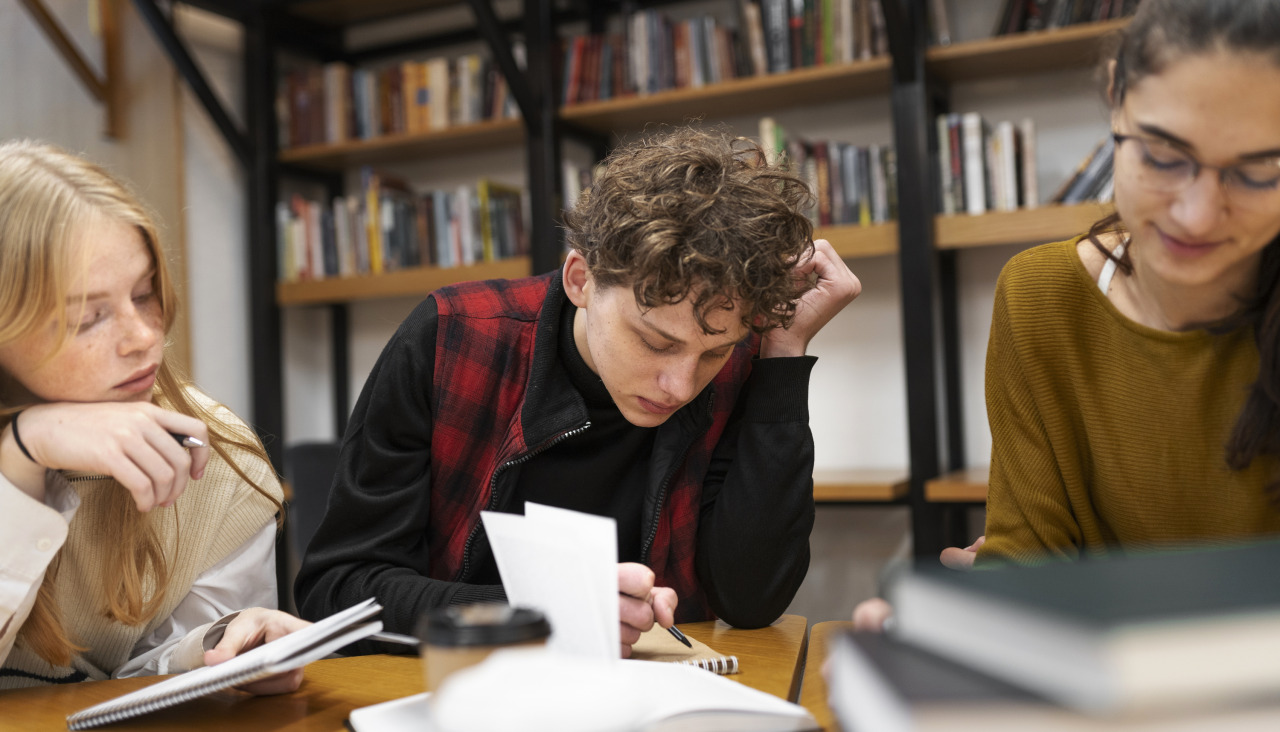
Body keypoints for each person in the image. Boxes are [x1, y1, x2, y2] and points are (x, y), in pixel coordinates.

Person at [295, 126, 862, 656]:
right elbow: (339, 590)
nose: (680, 385)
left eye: (713, 353)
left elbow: (752, 601)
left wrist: (783, 356)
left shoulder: (742, 361)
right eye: (655, 343)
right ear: (580, 279)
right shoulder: (451, 337)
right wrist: (549, 613)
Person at [854, 0, 1280, 630]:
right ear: (1115, 99)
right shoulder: (1040, 297)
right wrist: (965, 627)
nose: (1196, 213)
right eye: (1163, 156)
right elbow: (1029, 556)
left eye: (1258, 172)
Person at [0, 140, 308, 690]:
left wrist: (220, 645)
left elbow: (148, 676)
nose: (146, 338)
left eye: (145, 294)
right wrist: (22, 457)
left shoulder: (218, 457)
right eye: (89, 318)